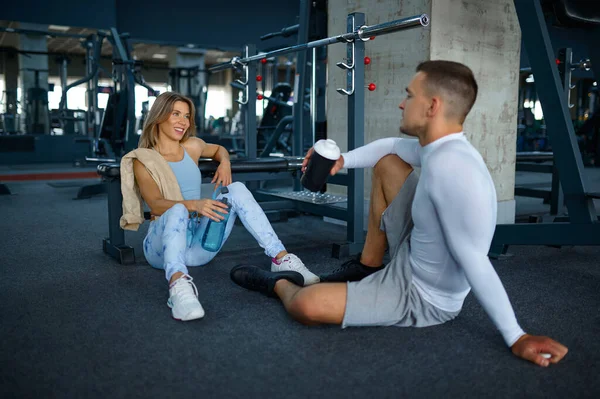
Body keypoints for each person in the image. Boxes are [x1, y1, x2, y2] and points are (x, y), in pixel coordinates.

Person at [230, 60, 569, 367]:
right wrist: (342, 160)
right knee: (390, 164)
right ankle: (368, 266)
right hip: (414, 249)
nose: (402, 103)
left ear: (432, 106)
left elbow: (474, 260)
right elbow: (391, 147)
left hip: (421, 294)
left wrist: (516, 336)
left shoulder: (453, 169)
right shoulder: (440, 148)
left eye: (410, 95)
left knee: (307, 305)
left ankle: (279, 285)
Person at [119, 92, 320, 321]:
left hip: (197, 248)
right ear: (159, 117)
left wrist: (224, 162)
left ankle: (281, 258)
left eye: (186, 116)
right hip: (160, 249)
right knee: (176, 209)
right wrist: (194, 204)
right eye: (176, 114)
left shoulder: (192, 146)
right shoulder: (143, 159)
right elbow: (155, 205)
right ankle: (178, 286)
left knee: (237, 189)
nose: (183, 122)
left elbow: (218, 150)